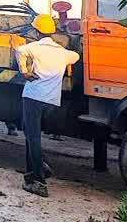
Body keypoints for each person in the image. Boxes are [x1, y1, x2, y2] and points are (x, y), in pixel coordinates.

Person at [15, 35, 80, 197]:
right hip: (51, 101)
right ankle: (36, 170)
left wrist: (25, 71)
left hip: (33, 97)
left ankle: (39, 181)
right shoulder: (63, 53)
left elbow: (19, 50)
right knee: (30, 133)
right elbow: (76, 56)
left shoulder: (36, 47)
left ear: (37, 32)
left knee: (33, 137)